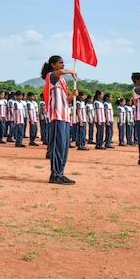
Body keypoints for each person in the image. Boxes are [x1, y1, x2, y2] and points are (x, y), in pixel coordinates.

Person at [43, 55, 76, 185]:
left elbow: (66, 100)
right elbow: (61, 72)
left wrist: (72, 95)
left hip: (65, 116)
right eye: (60, 63)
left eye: (63, 63)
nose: (63, 65)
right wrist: (71, 71)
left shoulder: (62, 81)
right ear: (53, 65)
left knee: (64, 147)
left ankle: (60, 173)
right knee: (57, 147)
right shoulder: (51, 76)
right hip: (57, 116)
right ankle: (55, 174)